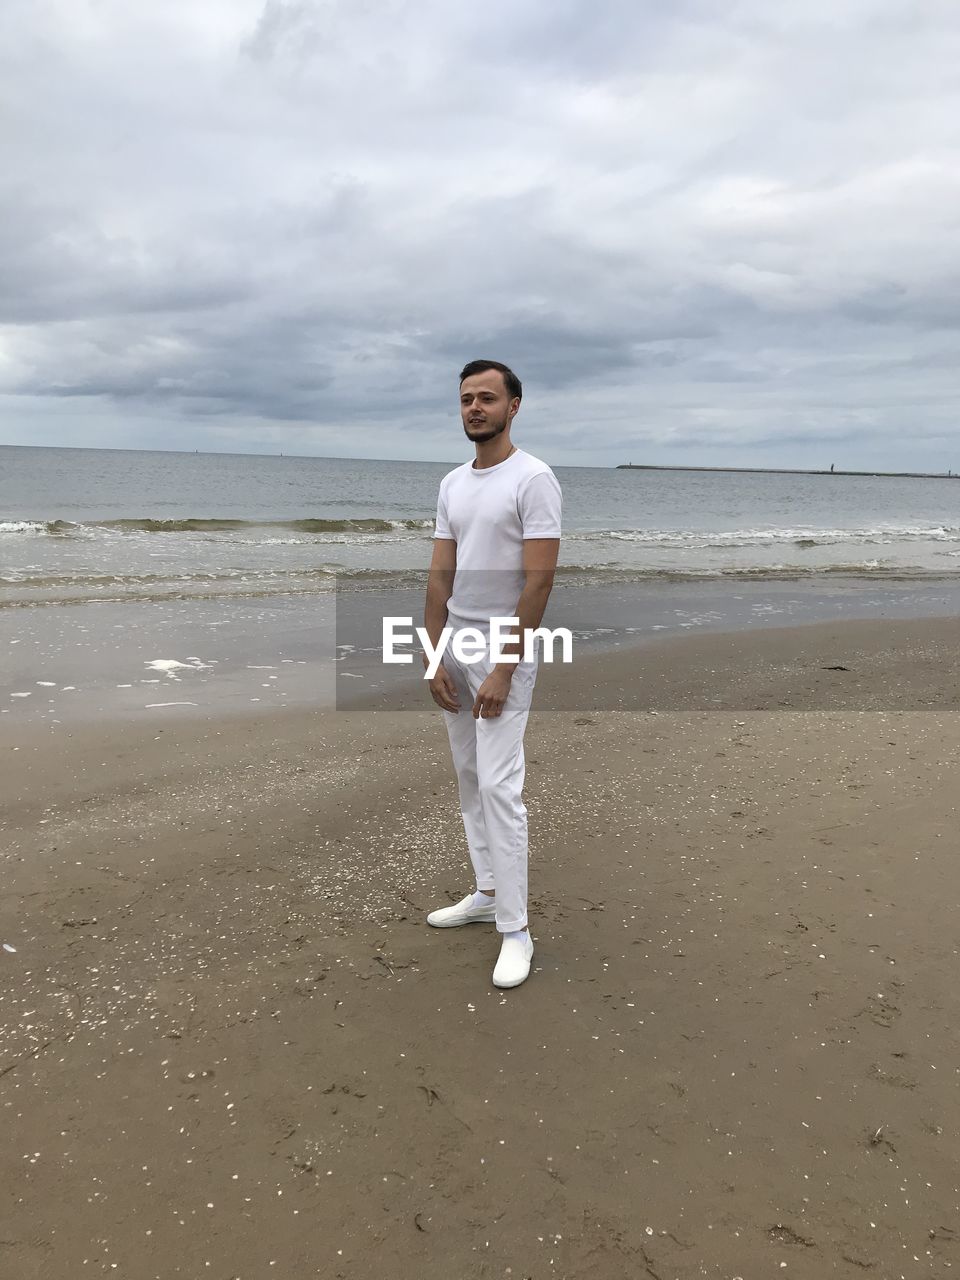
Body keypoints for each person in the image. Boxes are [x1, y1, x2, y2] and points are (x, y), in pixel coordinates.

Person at [422, 359, 562, 988]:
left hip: (504, 645)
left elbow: (539, 581)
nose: (474, 408)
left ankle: (516, 930)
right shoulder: (453, 483)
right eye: (465, 400)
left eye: (486, 398)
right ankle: (484, 893)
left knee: (501, 786)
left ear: (514, 406)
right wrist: (432, 656)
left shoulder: (533, 479)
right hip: (455, 639)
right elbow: (438, 577)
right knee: (470, 776)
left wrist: (504, 668)